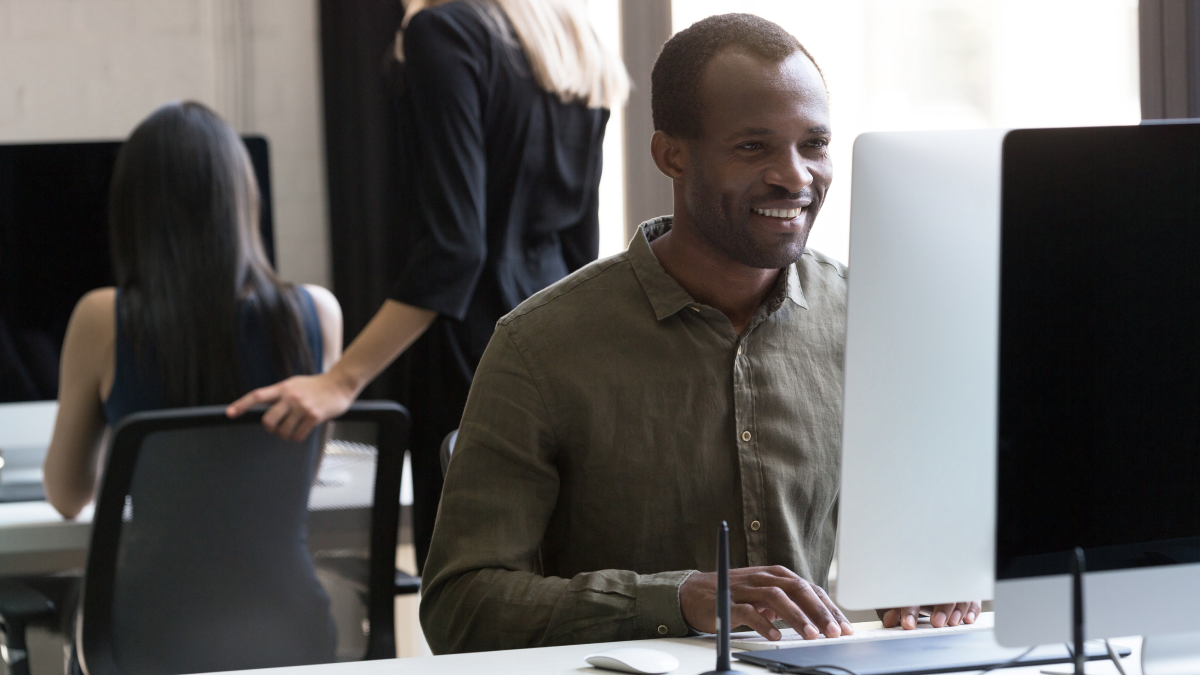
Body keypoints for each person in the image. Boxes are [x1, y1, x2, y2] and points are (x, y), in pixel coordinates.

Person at [416, 14, 980, 654]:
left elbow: (920, 538)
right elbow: (459, 607)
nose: (795, 176)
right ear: (670, 155)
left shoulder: (872, 317)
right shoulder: (537, 348)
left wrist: (931, 578)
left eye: (814, 144)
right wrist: (677, 599)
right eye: (753, 147)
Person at [225, 0, 629, 572]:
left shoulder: (443, 31)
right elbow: (577, 245)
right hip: (559, 349)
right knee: (550, 586)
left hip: (470, 357)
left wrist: (340, 381)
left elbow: (455, 250)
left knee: (470, 597)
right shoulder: (573, 42)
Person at [42, 101, 342, 518]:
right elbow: (304, 477)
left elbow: (68, 498)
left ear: (133, 208)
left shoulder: (101, 318)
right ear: (242, 199)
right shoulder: (319, 312)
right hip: (281, 584)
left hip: (153, 584)